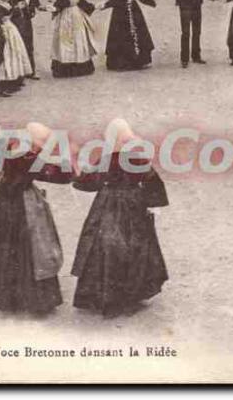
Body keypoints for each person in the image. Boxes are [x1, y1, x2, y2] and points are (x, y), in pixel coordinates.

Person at [71, 119, 169, 317]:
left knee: (105, 248)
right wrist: (152, 204)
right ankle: (131, 294)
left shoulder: (105, 159)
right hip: (134, 206)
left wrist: (78, 175)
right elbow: (153, 181)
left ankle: (104, 294)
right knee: (134, 247)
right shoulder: (137, 159)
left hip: (106, 205)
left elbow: (89, 182)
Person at [0, 121, 73, 314]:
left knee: (3, 248)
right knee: (33, 249)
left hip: (2, 203)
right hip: (24, 204)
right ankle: (32, 296)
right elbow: (63, 176)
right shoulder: (31, 158)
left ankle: (5, 293)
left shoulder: (11, 148)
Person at [160, 0, 219, 68]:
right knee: (186, 33)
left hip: (197, 7)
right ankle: (184, 59)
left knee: (197, 32)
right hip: (185, 8)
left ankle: (196, 57)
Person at [100, 0, 158, 71]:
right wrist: (104, 3)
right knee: (121, 36)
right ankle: (122, 63)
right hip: (120, 15)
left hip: (135, 13)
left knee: (139, 34)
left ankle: (139, 62)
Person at [50, 0, 99, 78]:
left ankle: (80, 67)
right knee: (66, 40)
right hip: (66, 18)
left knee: (79, 39)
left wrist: (94, 6)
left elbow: (83, 3)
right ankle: (65, 69)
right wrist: (54, 9)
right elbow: (58, 5)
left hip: (77, 17)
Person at [0, 0, 34, 90]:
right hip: (4, 30)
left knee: (15, 54)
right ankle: (5, 83)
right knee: (7, 55)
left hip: (11, 29)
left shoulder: (7, 4)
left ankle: (15, 80)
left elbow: (13, 14)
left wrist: (17, 9)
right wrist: (14, 9)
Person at [10, 0, 47, 79]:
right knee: (18, 45)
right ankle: (18, 73)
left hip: (27, 20)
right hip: (16, 20)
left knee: (29, 45)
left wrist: (42, 7)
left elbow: (35, 2)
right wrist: (17, 7)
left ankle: (31, 71)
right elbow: (8, 5)